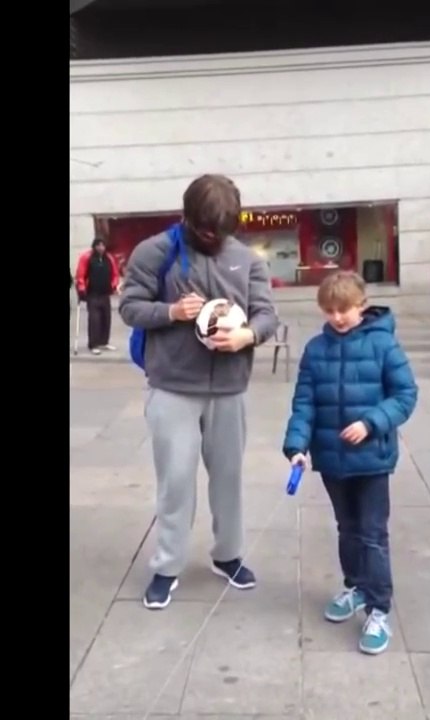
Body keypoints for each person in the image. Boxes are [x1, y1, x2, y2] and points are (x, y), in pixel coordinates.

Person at [118, 174, 280, 610]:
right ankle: (167, 566)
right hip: (172, 388)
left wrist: (247, 336)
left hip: (229, 389)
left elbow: (267, 314)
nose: (214, 238)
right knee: (175, 482)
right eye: (206, 231)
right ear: (188, 217)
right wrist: (170, 311)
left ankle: (227, 555)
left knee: (228, 479)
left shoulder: (246, 259)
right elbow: (129, 307)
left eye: (222, 232)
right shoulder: (155, 251)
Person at [281, 271, 418, 655]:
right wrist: (296, 445)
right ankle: (356, 586)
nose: (337, 317)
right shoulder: (315, 349)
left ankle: (379, 607)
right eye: (329, 311)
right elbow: (305, 403)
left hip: (372, 460)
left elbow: (405, 395)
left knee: (373, 533)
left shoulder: (384, 344)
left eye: (344, 309)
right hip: (332, 459)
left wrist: (371, 423)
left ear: (361, 304)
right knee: (347, 528)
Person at [75, 238, 121, 355]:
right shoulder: (87, 257)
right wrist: (81, 289)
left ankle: (104, 342)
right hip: (92, 294)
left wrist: (113, 285)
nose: (101, 248)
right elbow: (80, 275)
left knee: (106, 318)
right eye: (98, 245)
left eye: (103, 245)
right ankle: (93, 344)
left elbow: (115, 274)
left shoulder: (109, 258)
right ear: (94, 246)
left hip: (105, 293)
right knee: (94, 320)